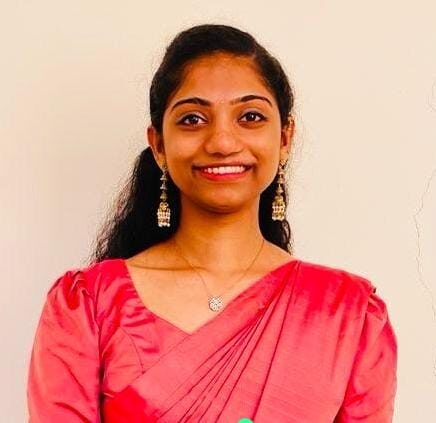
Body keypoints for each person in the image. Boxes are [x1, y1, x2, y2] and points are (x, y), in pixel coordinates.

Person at [26, 24, 398, 422]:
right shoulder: (88, 306)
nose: (222, 142)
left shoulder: (350, 316)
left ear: (284, 138)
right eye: (192, 119)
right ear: (159, 144)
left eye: (250, 116)